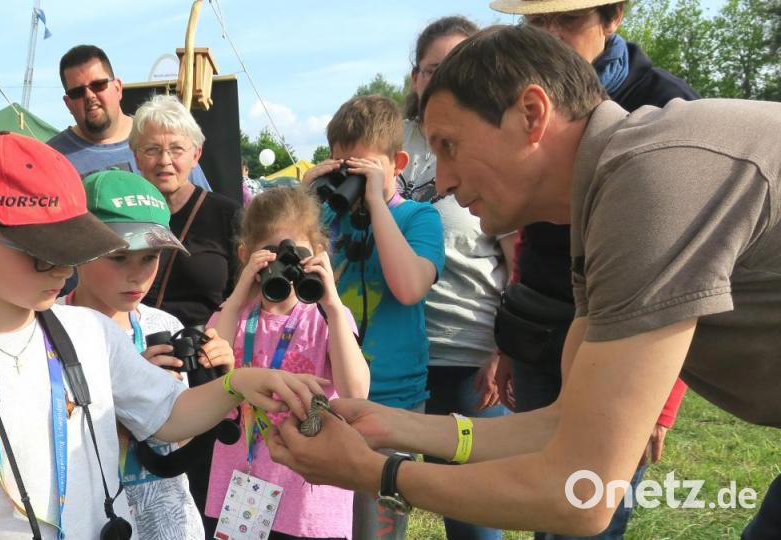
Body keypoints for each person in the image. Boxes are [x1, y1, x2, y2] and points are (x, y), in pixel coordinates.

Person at [268, 25, 781, 539]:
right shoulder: (604, 189)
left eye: (449, 145)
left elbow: (581, 492)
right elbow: (563, 421)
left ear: (531, 115)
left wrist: (374, 473)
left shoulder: (649, 181)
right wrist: (394, 426)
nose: (441, 181)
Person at [0, 132, 326, 539]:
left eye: (73, 250)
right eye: (42, 256)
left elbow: (168, 415)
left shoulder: (89, 333)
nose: (65, 270)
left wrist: (236, 384)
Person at [487, 2, 698, 537]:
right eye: (536, 23)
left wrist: (662, 401)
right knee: (547, 496)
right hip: (541, 332)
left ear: (614, 17)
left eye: (569, 20)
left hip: (628, 340)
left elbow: (691, 273)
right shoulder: (521, 104)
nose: (551, 36)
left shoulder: (667, 105)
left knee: (594, 509)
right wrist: (510, 342)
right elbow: (526, 232)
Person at [301, 94, 446, 540]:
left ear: (397, 163)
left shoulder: (419, 218)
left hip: (393, 402)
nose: (351, 181)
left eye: (362, 169)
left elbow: (408, 287)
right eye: (342, 167)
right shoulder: (325, 218)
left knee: (377, 528)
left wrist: (377, 205)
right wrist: (304, 199)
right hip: (326, 396)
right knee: (316, 522)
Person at [62, 169, 232, 539]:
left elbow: (183, 444)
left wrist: (218, 382)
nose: (138, 275)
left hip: (169, 521)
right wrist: (132, 397)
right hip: (89, 522)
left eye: (150, 257)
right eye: (120, 257)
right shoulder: (51, 331)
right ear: (79, 246)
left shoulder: (164, 325)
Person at [204, 186, 370, 539]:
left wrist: (334, 305)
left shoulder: (326, 319)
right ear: (247, 255)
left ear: (319, 254)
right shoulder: (233, 316)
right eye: (272, 255)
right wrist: (239, 293)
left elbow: (356, 391)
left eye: (297, 254)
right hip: (242, 488)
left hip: (310, 493)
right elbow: (209, 363)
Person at [403, 16, 514, 540]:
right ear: (415, 79)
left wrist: (502, 347)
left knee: (472, 517)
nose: (447, 77)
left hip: (467, 359)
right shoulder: (392, 142)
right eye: (434, 68)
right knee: (384, 503)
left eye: (462, 65)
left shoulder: (495, 144)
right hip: (395, 358)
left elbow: (521, 259)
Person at [129, 93, 241, 531]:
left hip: (203, 366)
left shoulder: (226, 214)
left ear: (196, 153)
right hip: (136, 358)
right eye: (152, 149)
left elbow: (243, 296)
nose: (165, 160)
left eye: (176, 148)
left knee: (205, 494)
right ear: (136, 156)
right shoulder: (124, 217)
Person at [47, 44, 213, 191]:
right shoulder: (51, 159)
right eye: (78, 92)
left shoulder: (166, 137)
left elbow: (200, 209)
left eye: (98, 85)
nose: (89, 96)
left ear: (118, 88)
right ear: (68, 103)